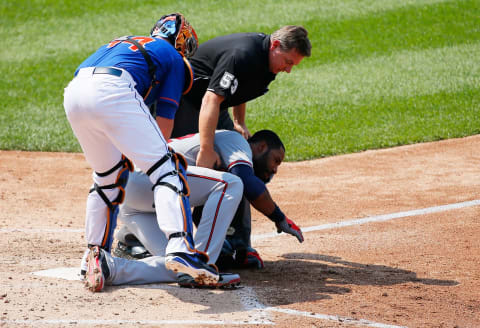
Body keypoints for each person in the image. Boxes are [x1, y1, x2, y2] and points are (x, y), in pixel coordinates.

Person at [63, 13, 220, 292]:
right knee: (168, 169)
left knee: (106, 178)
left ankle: (94, 256)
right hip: (112, 90)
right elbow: (165, 121)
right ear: (181, 43)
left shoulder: (125, 43)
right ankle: (180, 248)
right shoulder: (172, 57)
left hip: (74, 92)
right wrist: (154, 162)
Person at [114, 130, 304, 271]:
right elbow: (248, 182)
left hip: (128, 196)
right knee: (233, 184)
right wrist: (279, 218)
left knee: (176, 266)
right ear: (262, 147)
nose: (275, 169)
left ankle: (113, 269)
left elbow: (204, 213)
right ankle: (203, 264)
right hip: (148, 178)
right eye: (276, 160)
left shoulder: (221, 154)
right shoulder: (237, 141)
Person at [169, 25, 312, 170]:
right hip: (186, 100)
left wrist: (239, 122)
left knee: (234, 153)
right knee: (190, 162)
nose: (288, 70)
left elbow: (242, 86)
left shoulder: (269, 60)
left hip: (215, 105)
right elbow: (210, 99)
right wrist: (206, 150)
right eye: (288, 62)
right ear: (275, 45)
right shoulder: (242, 55)